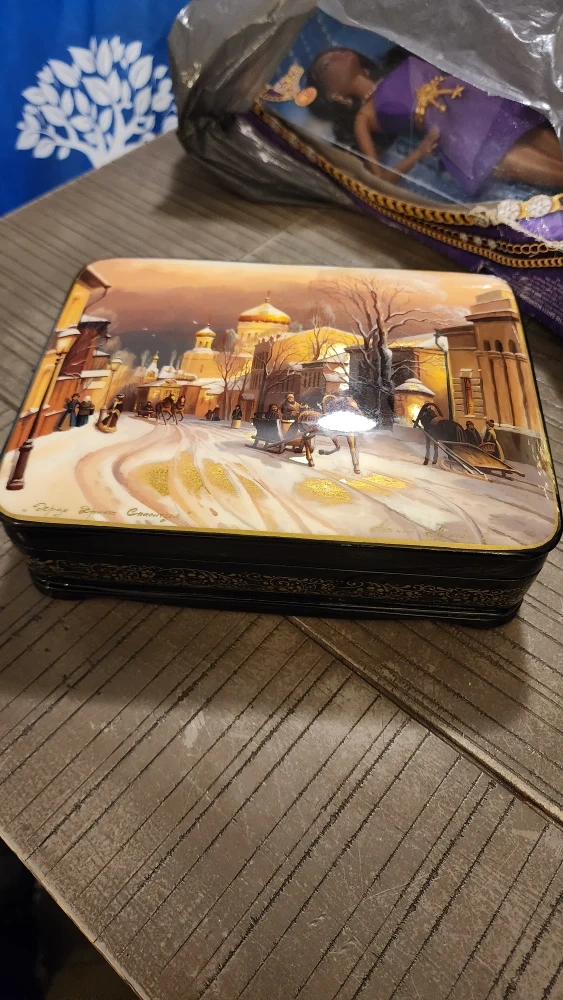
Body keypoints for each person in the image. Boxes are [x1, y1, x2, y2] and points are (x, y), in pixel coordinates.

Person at [305, 47, 563, 194]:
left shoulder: (395, 64)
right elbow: (379, 181)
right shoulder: (364, 117)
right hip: (461, 134)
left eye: (335, 52)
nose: (336, 55)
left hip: (479, 102)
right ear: (335, 95)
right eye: (326, 65)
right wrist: (419, 152)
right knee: (548, 171)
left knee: (547, 141)